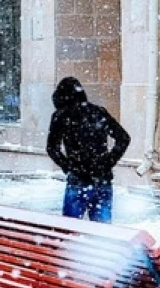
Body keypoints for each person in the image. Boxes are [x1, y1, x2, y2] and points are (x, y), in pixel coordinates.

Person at [46, 77, 130, 223]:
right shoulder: (98, 113)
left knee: (70, 229)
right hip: (101, 178)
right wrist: (108, 161)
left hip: (78, 178)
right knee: (102, 231)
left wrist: (68, 166)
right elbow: (123, 138)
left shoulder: (61, 116)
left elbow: (52, 148)